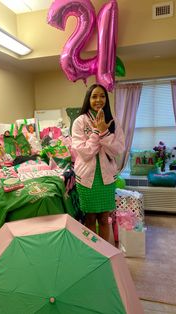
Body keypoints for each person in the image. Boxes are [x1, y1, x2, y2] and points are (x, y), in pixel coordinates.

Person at [71, 84, 125, 241]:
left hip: (106, 178)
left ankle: (104, 253)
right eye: (94, 96)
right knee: (89, 218)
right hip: (87, 178)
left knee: (103, 218)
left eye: (102, 96)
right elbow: (85, 152)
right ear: (88, 99)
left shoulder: (113, 120)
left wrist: (105, 132)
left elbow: (117, 150)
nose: (98, 100)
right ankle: (92, 253)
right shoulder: (80, 122)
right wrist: (97, 132)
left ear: (106, 99)